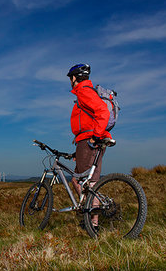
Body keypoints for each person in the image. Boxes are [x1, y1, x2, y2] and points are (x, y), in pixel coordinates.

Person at [67, 63, 112, 229]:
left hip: (90, 140)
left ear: (74, 78)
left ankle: (93, 221)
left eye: (70, 78)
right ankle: (92, 218)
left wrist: (94, 137)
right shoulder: (85, 92)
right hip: (86, 140)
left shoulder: (84, 91)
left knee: (84, 182)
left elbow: (103, 112)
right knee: (87, 181)